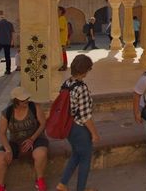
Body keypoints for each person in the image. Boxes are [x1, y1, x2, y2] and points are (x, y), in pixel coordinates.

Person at [56, 54, 100, 191]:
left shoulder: (67, 83)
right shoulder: (81, 87)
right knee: (85, 158)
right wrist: (94, 134)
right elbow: (85, 116)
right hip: (79, 128)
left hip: (68, 125)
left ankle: (62, 184)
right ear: (85, 70)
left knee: (76, 154)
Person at [0, 86, 49, 191]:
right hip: (15, 141)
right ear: (16, 101)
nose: (26, 101)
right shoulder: (7, 113)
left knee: (40, 153)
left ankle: (40, 180)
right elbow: (2, 133)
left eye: (27, 98)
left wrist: (32, 139)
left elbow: (43, 124)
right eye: (23, 100)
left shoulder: (34, 107)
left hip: (36, 138)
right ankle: (0, 185)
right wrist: (8, 149)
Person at [58, 7, 69, 71]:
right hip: (62, 39)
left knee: (63, 52)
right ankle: (63, 65)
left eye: (58, 10)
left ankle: (64, 66)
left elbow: (60, 28)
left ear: (61, 11)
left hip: (61, 39)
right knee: (62, 52)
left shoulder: (61, 18)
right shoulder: (60, 18)